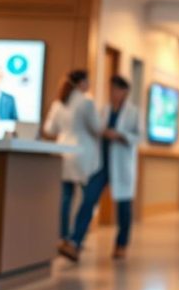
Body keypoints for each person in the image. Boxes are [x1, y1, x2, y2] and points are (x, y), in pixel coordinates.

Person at [57, 76, 140, 262]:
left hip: (121, 164)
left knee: (124, 208)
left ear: (124, 92)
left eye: (116, 90)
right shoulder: (103, 109)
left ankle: (121, 244)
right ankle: (75, 243)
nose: (112, 94)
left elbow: (138, 136)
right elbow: (95, 130)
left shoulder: (134, 112)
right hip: (102, 164)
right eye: (110, 89)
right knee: (88, 200)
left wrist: (119, 135)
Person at [43, 70, 101, 244]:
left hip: (63, 152)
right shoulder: (86, 103)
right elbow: (97, 128)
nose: (89, 85)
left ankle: (63, 235)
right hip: (82, 154)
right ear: (82, 83)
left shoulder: (58, 103)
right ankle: (78, 235)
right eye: (88, 81)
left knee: (66, 197)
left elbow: (49, 130)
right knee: (88, 197)